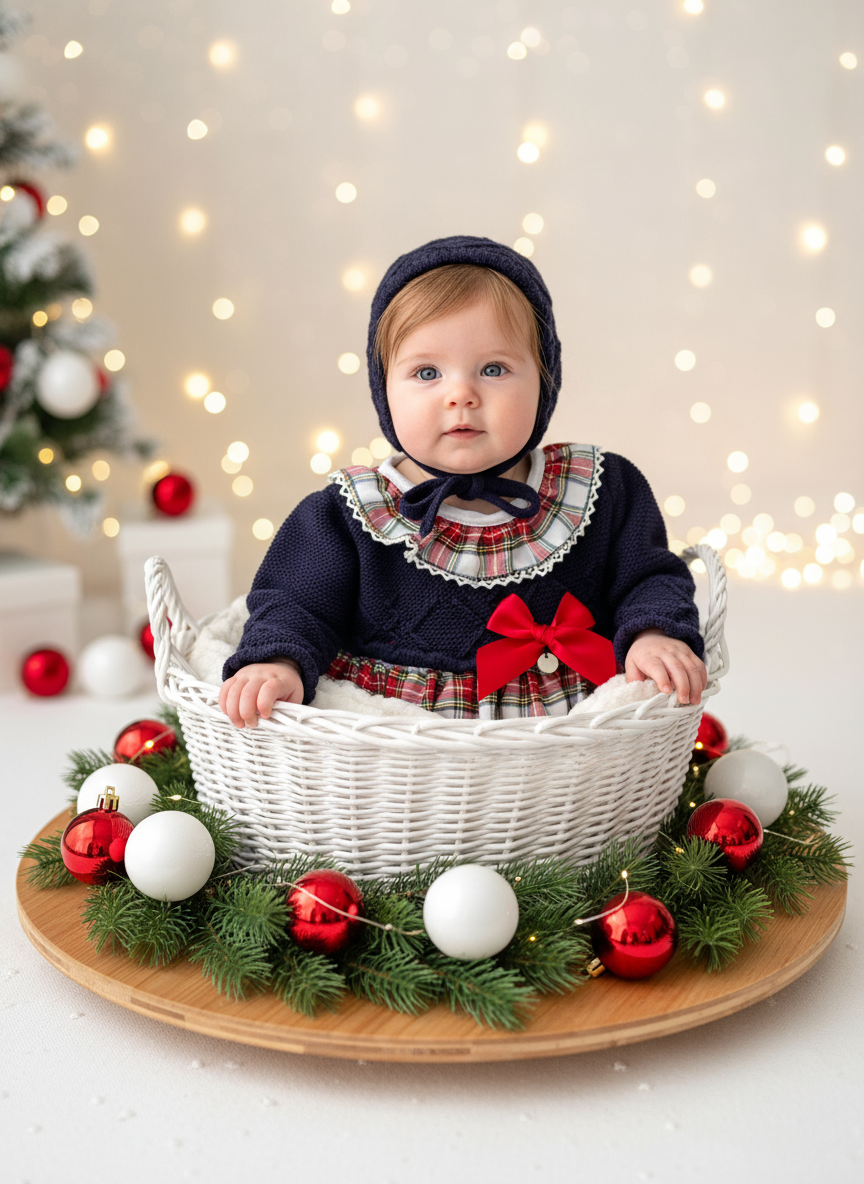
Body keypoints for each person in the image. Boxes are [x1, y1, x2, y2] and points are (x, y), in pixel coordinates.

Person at [219, 235, 707, 728]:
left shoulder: (598, 492)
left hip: (568, 745)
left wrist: (653, 634)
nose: (461, 395)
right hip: (398, 749)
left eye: (493, 369)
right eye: (427, 372)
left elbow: (649, 577)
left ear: (545, 380)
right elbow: (294, 601)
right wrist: (277, 661)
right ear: (384, 389)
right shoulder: (351, 514)